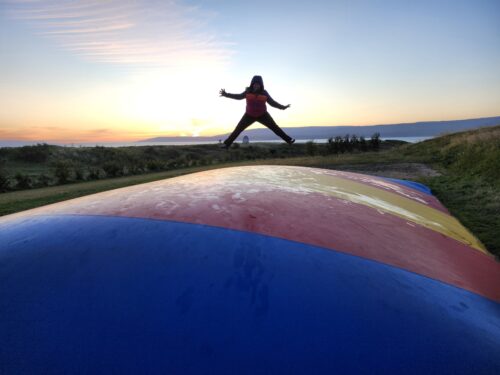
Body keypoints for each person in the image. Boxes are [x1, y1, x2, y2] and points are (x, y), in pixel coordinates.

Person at [219, 75, 295, 148]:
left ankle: (289, 140)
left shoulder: (264, 93)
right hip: (249, 115)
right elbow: (238, 96)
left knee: (275, 128)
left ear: (261, 85)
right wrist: (226, 94)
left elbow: (272, 102)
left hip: (263, 115)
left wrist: (283, 107)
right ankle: (226, 145)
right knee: (238, 129)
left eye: (258, 84)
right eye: (255, 84)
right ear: (252, 84)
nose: (256, 86)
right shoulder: (248, 91)